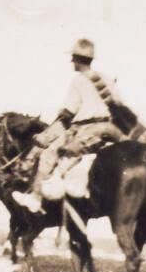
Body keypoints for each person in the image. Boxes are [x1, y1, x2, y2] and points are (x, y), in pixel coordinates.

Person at [12, 38, 125, 213]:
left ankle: (35, 197)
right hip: (110, 129)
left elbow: (68, 113)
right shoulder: (107, 78)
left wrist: (45, 136)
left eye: (73, 58)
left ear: (78, 59)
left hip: (87, 129)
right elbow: (119, 106)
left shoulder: (78, 80)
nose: (71, 61)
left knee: (48, 154)